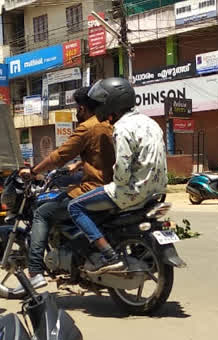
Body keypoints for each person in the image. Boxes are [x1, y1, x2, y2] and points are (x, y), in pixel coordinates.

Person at [15, 86, 116, 291]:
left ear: (83, 108)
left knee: (42, 212)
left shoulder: (87, 126)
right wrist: (80, 164)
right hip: (113, 185)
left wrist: (34, 171)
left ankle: (34, 272)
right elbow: (104, 154)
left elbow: (60, 155)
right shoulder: (109, 124)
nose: (76, 113)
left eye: (77, 109)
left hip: (94, 188)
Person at [67, 77, 168, 273]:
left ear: (112, 103)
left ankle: (109, 256)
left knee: (75, 206)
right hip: (156, 190)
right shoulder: (150, 122)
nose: (98, 108)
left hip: (131, 191)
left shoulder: (122, 128)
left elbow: (122, 170)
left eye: (101, 103)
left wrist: (113, 179)